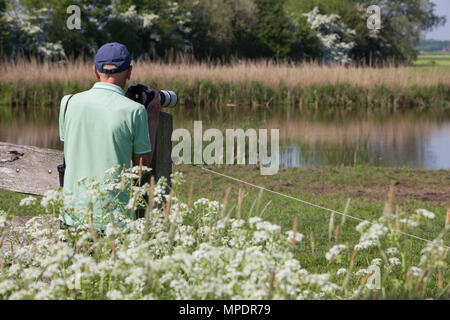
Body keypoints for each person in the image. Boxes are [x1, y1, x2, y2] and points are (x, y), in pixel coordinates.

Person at [58, 42, 161, 230]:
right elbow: (141, 168)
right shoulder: (136, 111)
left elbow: (70, 146)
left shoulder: (68, 102)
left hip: (71, 215)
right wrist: (152, 118)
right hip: (113, 219)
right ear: (129, 72)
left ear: (95, 71)